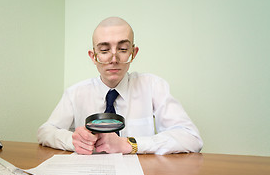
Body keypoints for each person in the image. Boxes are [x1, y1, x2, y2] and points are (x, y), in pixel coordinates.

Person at [37, 17, 203, 155]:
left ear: (133, 52)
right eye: (104, 50)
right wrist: (72, 140)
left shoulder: (153, 86)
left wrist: (129, 144)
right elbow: (45, 132)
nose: (114, 59)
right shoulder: (75, 93)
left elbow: (191, 138)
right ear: (93, 56)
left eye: (123, 49)